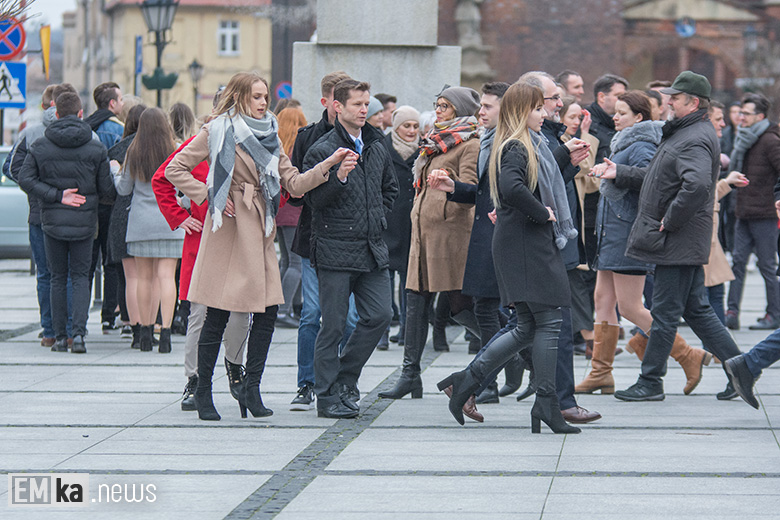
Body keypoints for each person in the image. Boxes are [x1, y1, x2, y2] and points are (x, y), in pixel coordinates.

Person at [165, 71, 354, 421]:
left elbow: (294, 184)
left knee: (266, 312)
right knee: (217, 312)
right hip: (229, 229)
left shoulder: (270, 133)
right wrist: (211, 196)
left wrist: (327, 166)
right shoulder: (217, 129)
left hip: (261, 229)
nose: (264, 102)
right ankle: (204, 391)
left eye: (265, 96)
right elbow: (174, 169)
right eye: (256, 96)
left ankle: (251, 388)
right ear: (239, 97)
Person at [591, 70, 743, 401]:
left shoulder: (694, 136)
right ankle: (741, 369)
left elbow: (698, 185)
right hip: (683, 238)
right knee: (696, 309)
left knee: (663, 314)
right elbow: (661, 177)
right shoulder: (686, 131)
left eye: (675, 98)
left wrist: (670, 220)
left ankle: (650, 381)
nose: (668, 101)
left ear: (694, 102)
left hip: (680, 238)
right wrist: (623, 172)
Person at [438, 82, 580, 434]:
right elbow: (512, 187)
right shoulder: (516, 145)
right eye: (537, 109)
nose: (544, 114)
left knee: (527, 326)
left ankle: (464, 382)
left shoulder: (528, 143)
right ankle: (546, 403)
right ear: (521, 112)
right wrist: (543, 213)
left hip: (520, 240)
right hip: (525, 243)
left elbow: (521, 184)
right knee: (547, 322)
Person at [577, 90, 712, 396]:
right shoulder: (624, 140)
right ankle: (601, 373)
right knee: (603, 300)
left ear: (639, 117)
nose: (615, 116)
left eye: (622, 112)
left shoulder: (641, 143)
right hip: (612, 233)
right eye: (616, 112)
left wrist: (616, 173)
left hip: (627, 234)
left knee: (630, 307)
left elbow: (653, 180)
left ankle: (688, 355)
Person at [378, 85, 481, 401]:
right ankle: (410, 375)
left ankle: (514, 353)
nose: (438, 111)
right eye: (437, 105)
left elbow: (471, 190)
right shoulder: (433, 144)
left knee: (460, 306)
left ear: (460, 111)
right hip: (422, 235)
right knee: (415, 299)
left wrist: (450, 189)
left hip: (451, 236)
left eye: (445, 106)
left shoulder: (469, 144)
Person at [304, 79, 398, 419]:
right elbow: (313, 202)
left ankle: (344, 379)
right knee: (333, 325)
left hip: (372, 248)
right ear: (337, 107)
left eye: (366, 103)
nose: (363, 110)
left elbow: (390, 188)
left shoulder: (376, 144)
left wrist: (377, 217)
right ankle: (327, 396)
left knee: (380, 315)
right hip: (335, 249)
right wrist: (338, 177)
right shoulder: (323, 149)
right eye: (357, 104)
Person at [18, 91, 116, 354]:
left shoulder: (41, 145)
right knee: (81, 276)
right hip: (85, 221)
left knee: (57, 277)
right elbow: (107, 189)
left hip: (51, 220)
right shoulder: (95, 147)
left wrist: (57, 195)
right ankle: (79, 335)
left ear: (56, 113)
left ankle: (60, 337)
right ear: (81, 113)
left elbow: (25, 179)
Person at [287, 71, 360, 412]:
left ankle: (343, 381)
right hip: (314, 237)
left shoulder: (365, 137)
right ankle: (307, 382)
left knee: (349, 318)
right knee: (313, 312)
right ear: (328, 102)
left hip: (351, 241)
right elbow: (297, 191)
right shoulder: (308, 138)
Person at [4, 83, 73, 347]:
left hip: (39, 212)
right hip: (74, 212)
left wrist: (35, 190)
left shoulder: (30, 133)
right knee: (69, 274)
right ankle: (70, 329)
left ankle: (49, 330)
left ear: (44, 106)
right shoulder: (84, 132)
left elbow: (10, 167)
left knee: (45, 274)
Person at [112, 108, 184, 353]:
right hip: (169, 219)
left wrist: (115, 171)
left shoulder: (134, 151)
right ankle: (165, 333)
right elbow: (185, 186)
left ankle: (144, 333)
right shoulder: (176, 150)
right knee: (166, 277)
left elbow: (123, 189)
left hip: (141, 221)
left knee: (143, 278)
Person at [724, 93, 780, 331]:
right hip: (744, 211)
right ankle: (732, 312)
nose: (740, 117)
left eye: (746, 113)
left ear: (759, 116)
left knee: (767, 266)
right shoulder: (744, 138)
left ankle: (774, 314)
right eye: (740, 112)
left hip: (765, 213)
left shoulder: (769, 140)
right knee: (737, 263)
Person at [378, 105, 420, 350]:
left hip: (412, 224)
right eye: (407, 125)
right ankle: (382, 332)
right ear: (396, 126)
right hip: (387, 222)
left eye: (415, 126)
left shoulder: (425, 149)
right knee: (384, 280)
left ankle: (406, 330)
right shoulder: (382, 148)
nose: (412, 130)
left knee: (409, 283)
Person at [85, 82, 125, 333]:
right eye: (120, 99)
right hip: (112, 203)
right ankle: (108, 316)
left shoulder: (86, 127)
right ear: (112, 104)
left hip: (88, 204)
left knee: (86, 265)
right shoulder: (118, 129)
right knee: (111, 263)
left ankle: (80, 316)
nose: (122, 104)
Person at [107, 104, 148, 349]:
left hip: (122, 215)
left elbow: (115, 189)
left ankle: (133, 327)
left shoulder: (118, 150)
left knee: (130, 277)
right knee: (152, 277)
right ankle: (153, 326)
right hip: (152, 217)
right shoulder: (163, 148)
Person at [275, 106, 308, 327]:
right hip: (295, 211)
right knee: (296, 263)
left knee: (286, 260)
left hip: (280, 210)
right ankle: (283, 310)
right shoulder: (299, 149)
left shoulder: (277, 149)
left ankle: (281, 308)